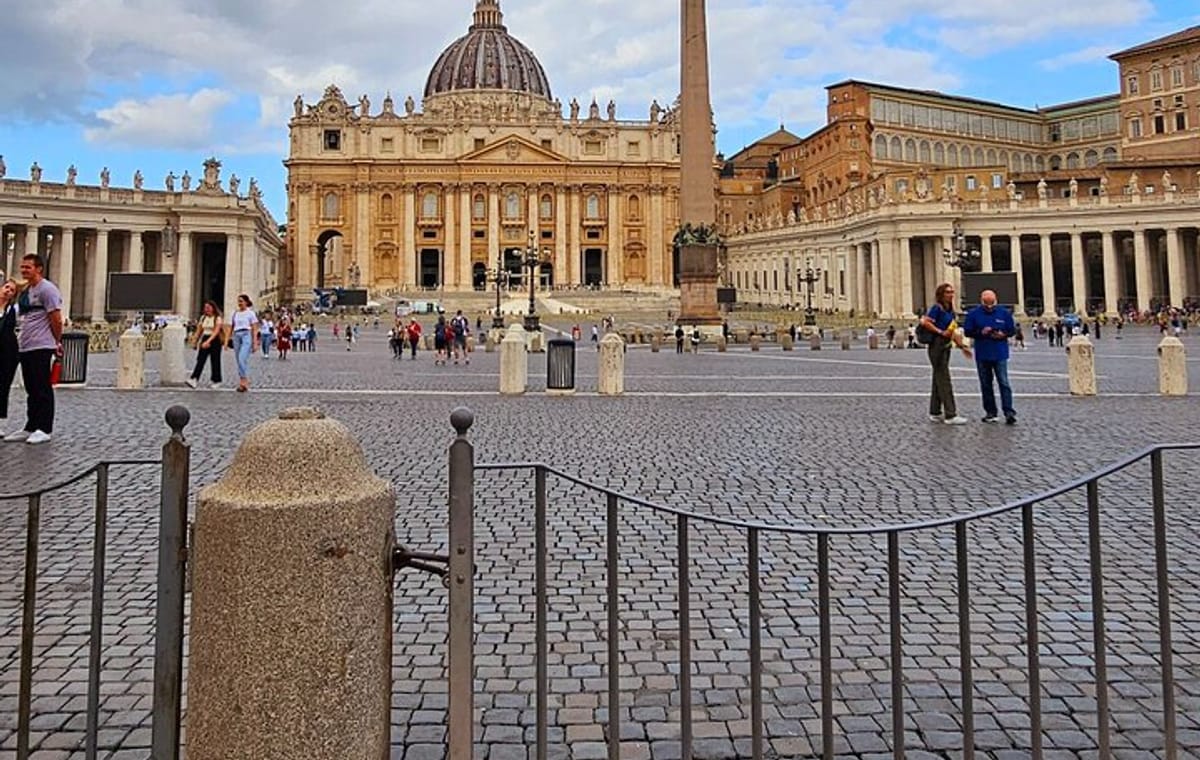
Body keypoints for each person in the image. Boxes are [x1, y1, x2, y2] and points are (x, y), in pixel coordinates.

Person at [5, 255, 63, 444]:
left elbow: (56, 318)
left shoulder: (47, 290)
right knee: (31, 388)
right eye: (22, 267)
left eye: (27, 267)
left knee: (42, 387)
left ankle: (44, 428)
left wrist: (57, 341)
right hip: (26, 344)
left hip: (42, 343)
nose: (23, 270)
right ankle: (31, 425)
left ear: (39, 269)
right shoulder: (27, 290)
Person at [919, 282, 972, 426]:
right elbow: (925, 322)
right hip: (936, 346)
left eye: (952, 292)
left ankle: (935, 412)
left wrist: (962, 347)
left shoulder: (950, 311)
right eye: (948, 292)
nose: (951, 294)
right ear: (941, 294)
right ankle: (950, 414)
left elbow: (952, 330)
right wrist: (940, 332)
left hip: (946, 346)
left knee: (938, 379)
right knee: (944, 380)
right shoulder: (937, 308)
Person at [963, 290, 1017, 425]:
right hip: (983, 353)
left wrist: (1002, 334)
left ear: (995, 300)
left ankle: (1009, 412)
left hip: (1000, 353)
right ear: (982, 301)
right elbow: (968, 331)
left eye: (991, 303)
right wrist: (981, 332)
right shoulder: (973, 314)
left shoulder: (1004, 313)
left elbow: (1011, 330)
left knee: (1004, 383)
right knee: (986, 384)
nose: (989, 306)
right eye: (986, 304)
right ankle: (991, 412)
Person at [226, 294, 259, 393]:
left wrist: (255, 342)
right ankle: (242, 381)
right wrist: (227, 340)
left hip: (246, 335)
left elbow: (254, 328)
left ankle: (244, 380)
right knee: (239, 360)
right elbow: (231, 327)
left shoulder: (250, 313)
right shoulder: (235, 313)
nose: (239, 303)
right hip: (236, 335)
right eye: (238, 301)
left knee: (241, 358)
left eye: (241, 301)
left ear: (246, 302)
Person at [186, 301, 224, 389]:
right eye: (205, 307)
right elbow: (199, 331)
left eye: (208, 307)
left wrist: (208, 341)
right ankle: (194, 379)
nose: (206, 309)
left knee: (215, 360)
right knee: (200, 359)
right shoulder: (203, 318)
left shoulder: (217, 318)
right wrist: (195, 341)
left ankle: (216, 380)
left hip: (215, 340)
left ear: (213, 308)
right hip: (205, 338)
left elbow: (216, 331)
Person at [0, 280, 20, 433]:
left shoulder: (13, 309)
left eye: (12, 290)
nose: (8, 291)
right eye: (7, 287)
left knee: (2, 387)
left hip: (7, 353)